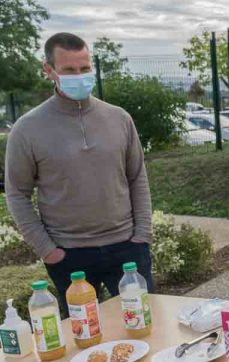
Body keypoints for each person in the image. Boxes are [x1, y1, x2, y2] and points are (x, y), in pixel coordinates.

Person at [5, 33, 153, 314]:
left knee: (145, 325)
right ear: (48, 70)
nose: (79, 76)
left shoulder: (119, 118)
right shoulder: (27, 130)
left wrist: (142, 234)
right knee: (84, 340)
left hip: (128, 249)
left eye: (84, 69)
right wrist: (47, 250)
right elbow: (16, 193)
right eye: (69, 70)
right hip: (68, 256)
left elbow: (137, 177)